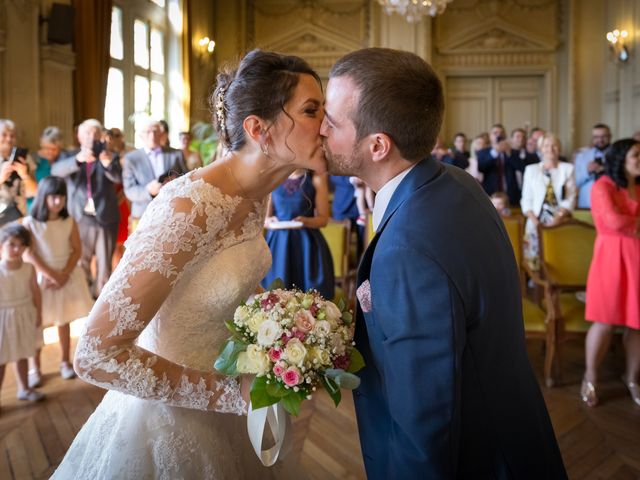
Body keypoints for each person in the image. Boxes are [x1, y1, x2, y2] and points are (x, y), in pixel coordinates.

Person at [51, 49, 326, 479]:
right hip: (166, 422)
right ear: (259, 129)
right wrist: (231, 395)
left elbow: (222, 286)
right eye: (312, 111)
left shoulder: (256, 195)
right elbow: (95, 354)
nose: (327, 125)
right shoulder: (189, 206)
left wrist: (283, 332)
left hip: (234, 402)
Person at [321, 47, 566, 479]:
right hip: (515, 434)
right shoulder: (455, 182)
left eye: (332, 121)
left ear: (378, 145)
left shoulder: (407, 250)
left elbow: (426, 418)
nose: (321, 129)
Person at [582, 138, 640, 407]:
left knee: (637, 325)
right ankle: (591, 377)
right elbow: (613, 221)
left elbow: (623, 222)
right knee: (604, 321)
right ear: (620, 159)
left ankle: (631, 377)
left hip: (637, 260)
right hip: (611, 260)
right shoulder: (602, 186)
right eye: (636, 155)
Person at [22, 176, 94, 387]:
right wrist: (53, 276)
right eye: (53, 197)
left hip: (67, 274)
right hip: (42, 276)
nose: (57, 202)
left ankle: (64, 361)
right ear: (43, 197)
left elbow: (77, 249)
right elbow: (29, 254)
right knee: (39, 323)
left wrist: (64, 274)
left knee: (64, 321)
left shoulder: (68, 221)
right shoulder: (31, 223)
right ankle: (35, 367)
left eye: (61, 198)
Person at [52, 118, 122, 298]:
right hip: (79, 217)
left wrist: (106, 161)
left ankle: (101, 304)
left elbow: (118, 178)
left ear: (101, 136)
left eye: (95, 133)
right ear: (79, 136)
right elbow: (56, 172)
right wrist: (78, 159)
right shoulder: (69, 155)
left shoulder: (110, 155)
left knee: (104, 265)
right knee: (80, 262)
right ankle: (81, 300)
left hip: (105, 218)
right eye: (87, 132)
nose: (92, 136)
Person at [262, 170, 334, 299]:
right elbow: (265, 219)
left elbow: (323, 220)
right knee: (276, 295)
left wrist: (306, 221)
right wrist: (269, 221)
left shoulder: (316, 178)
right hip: (279, 244)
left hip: (306, 245)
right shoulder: (274, 177)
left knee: (310, 297)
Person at [0, 223, 45, 405]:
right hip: (3, 317)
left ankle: (24, 388)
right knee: (1, 359)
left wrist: (39, 314)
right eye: (12, 244)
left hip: (24, 313)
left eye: (21, 245)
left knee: (23, 353)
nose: (17, 249)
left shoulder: (28, 268)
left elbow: (36, 292)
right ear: (2, 245)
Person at [520, 133, 577, 270]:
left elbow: (570, 198)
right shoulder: (531, 170)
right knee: (534, 262)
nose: (550, 149)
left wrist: (558, 219)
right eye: (546, 145)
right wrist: (535, 221)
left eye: (554, 145)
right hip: (536, 220)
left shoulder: (568, 169)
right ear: (540, 148)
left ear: (560, 149)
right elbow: (526, 199)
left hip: (560, 220)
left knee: (559, 259)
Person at [123, 119, 188, 231]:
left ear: (162, 134)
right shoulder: (131, 158)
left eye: (155, 131)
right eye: (148, 132)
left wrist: (176, 182)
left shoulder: (176, 154)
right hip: (142, 215)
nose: (152, 135)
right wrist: (148, 191)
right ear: (141, 136)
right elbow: (129, 189)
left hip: (171, 213)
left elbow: (187, 179)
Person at [0, 119, 38, 226]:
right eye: (4, 135)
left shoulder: (26, 160)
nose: (8, 139)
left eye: (12, 136)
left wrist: (24, 175)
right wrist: (1, 178)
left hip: (19, 217)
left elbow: (34, 192)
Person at [477, 123, 525, 206]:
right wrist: (495, 152)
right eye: (495, 133)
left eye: (501, 133)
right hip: (490, 195)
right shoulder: (483, 152)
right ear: (490, 136)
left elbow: (522, 168)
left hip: (511, 196)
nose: (499, 135)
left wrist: (509, 153)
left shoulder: (512, 152)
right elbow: (481, 167)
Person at [28, 126, 66, 211]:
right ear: (41, 145)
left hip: (59, 204)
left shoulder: (64, 158)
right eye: (46, 148)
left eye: (53, 149)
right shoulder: (33, 159)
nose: (49, 152)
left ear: (60, 147)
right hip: (37, 204)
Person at [574, 123, 612, 208]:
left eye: (604, 136)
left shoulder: (618, 154)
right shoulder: (581, 156)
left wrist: (606, 169)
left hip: (611, 202)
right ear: (592, 138)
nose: (600, 140)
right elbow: (575, 182)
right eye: (596, 137)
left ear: (610, 136)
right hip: (587, 203)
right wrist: (587, 172)